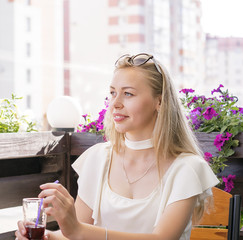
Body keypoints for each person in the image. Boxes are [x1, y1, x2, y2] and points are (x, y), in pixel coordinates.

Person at [15, 53, 219, 240]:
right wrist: (47, 237)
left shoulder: (187, 168)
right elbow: (73, 235)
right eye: (113, 93)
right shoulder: (98, 159)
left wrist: (77, 229)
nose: (115, 103)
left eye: (128, 94)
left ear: (160, 101)